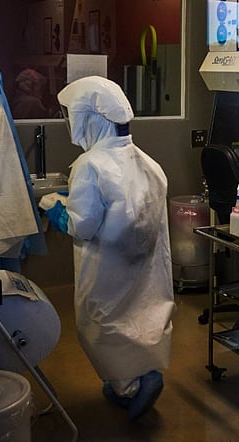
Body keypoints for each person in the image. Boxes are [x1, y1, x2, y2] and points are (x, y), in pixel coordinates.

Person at [45, 76, 176, 420]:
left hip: (105, 268)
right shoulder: (148, 162)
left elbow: (82, 226)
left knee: (100, 325)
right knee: (143, 317)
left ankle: (128, 386)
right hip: (144, 268)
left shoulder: (90, 165)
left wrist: (56, 210)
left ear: (88, 118)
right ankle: (144, 371)